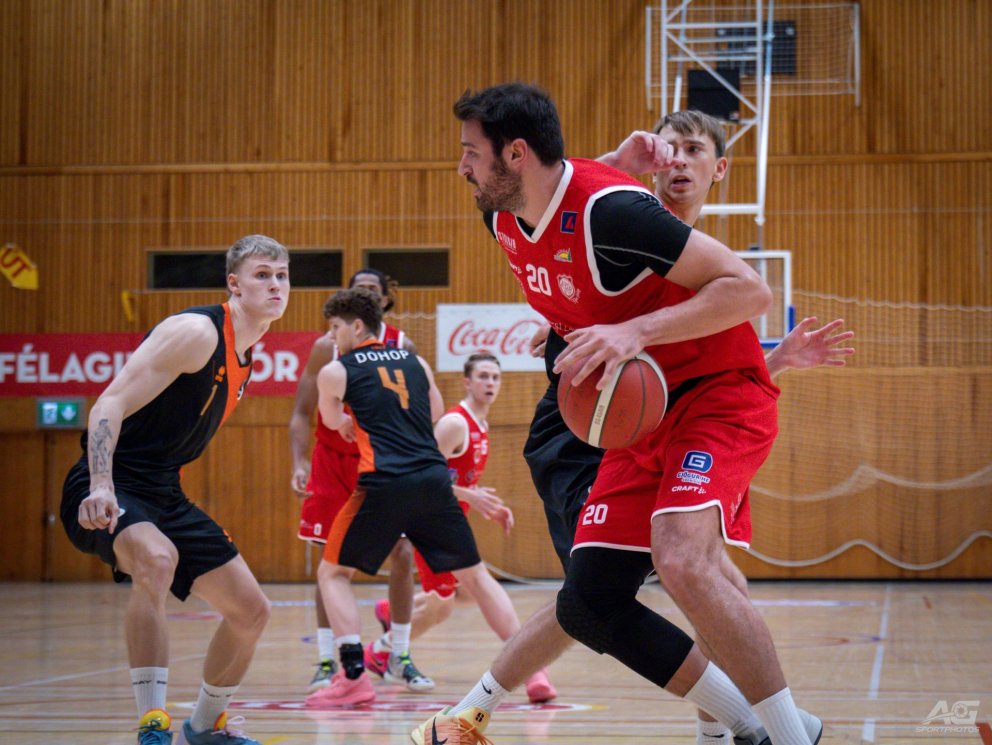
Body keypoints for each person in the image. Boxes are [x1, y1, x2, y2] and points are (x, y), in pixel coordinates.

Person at [413, 85, 837, 744]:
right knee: (594, 598)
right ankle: (751, 726)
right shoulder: (503, 216)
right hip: (634, 419)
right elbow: (560, 197)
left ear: (515, 153)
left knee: (685, 562)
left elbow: (750, 290)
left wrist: (632, 332)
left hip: (713, 397)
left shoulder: (619, 212)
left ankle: (782, 735)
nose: (461, 165)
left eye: (471, 151)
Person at [61, 235, 289, 745]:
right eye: (262, 275)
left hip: (164, 491)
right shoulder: (196, 332)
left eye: (282, 275)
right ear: (234, 284)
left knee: (251, 610)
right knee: (157, 560)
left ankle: (205, 727)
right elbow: (109, 403)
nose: (275, 285)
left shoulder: (247, 356)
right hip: (111, 481)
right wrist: (101, 484)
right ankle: (153, 724)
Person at [304, 287, 501, 709]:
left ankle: (352, 674)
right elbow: (434, 415)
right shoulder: (416, 361)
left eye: (335, 328)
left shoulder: (337, 369)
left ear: (357, 326)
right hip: (432, 480)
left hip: (384, 481)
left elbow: (330, 420)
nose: (332, 336)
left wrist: (352, 423)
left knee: (332, 573)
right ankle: (532, 671)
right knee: (475, 580)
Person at [369, 353, 557, 703]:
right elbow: (421, 475)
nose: (490, 383)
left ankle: (384, 642)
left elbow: (456, 477)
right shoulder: (455, 423)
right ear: (467, 382)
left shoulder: (481, 424)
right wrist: (470, 495)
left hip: (446, 518)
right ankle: (532, 668)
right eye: (483, 376)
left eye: (495, 377)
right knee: (476, 586)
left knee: (451, 601)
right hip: (426, 518)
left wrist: (483, 501)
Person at [289, 269, 432, 694]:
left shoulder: (402, 346)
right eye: (357, 290)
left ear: (384, 301)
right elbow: (301, 412)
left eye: (372, 291)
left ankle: (398, 656)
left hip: (383, 461)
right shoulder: (326, 347)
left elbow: (422, 410)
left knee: (402, 553)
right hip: (333, 462)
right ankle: (327, 660)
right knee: (330, 562)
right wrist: (298, 462)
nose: (364, 295)